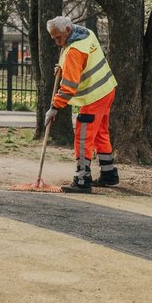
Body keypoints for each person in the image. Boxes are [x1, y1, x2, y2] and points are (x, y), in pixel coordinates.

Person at [44, 16, 118, 194]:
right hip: (107, 89)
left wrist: (53, 108)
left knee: (83, 137)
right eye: (53, 38)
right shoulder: (87, 34)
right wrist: (63, 65)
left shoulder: (73, 52)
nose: (56, 42)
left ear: (68, 30)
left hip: (94, 97)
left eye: (58, 38)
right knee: (101, 133)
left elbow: (68, 88)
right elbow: (81, 63)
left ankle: (82, 180)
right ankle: (109, 174)